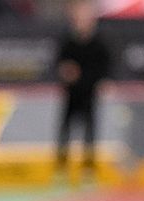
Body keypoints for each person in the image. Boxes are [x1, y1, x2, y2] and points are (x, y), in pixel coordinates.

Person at [55, 0, 110, 172]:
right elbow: (60, 64)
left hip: (89, 92)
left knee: (89, 128)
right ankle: (61, 164)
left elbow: (105, 66)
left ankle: (88, 164)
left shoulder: (99, 43)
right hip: (72, 93)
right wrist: (65, 72)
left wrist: (101, 81)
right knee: (66, 126)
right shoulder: (68, 41)